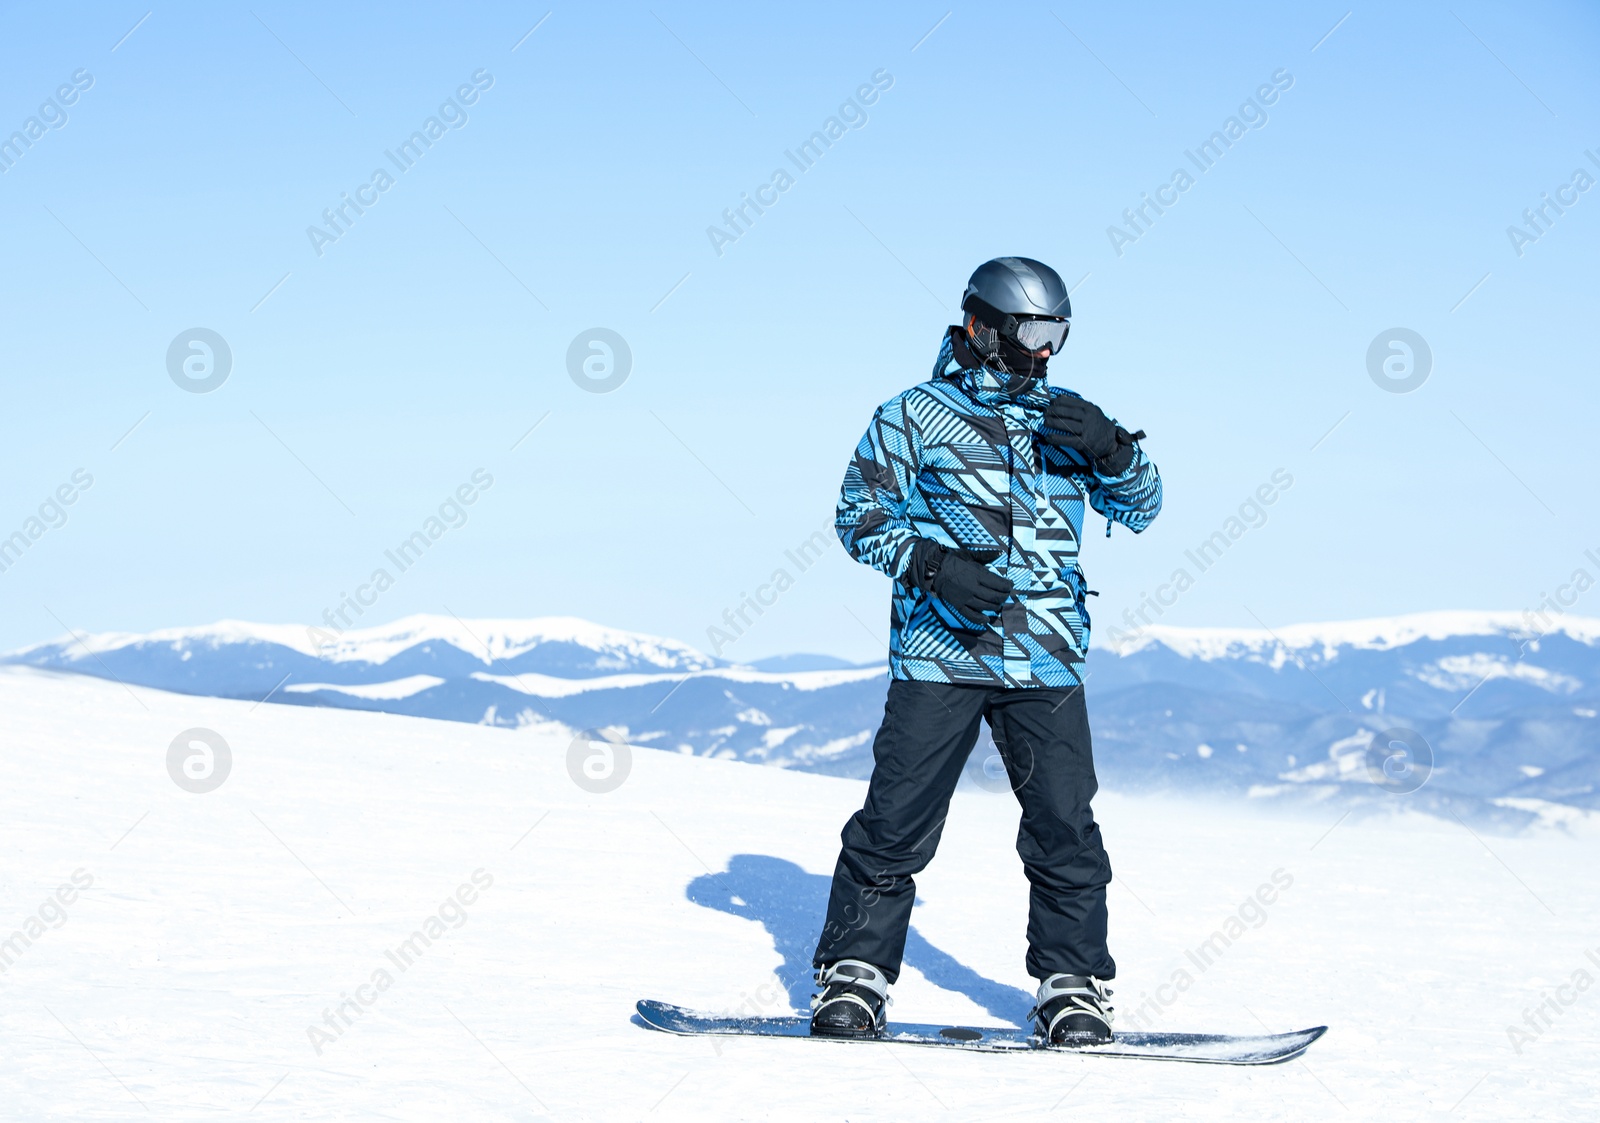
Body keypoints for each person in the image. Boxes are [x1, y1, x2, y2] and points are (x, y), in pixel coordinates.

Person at [809, 256, 1162, 1045]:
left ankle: (1072, 985)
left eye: (1058, 333)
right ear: (984, 328)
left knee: (1064, 826)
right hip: (941, 652)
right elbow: (856, 514)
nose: (1046, 352)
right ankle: (855, 976)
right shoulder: (912, 415)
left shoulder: (1066, 416)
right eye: (1034, 332)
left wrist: (1113, 450)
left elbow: (1145, 506)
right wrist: (932, 564)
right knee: (896, 822)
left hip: (1045, 660)